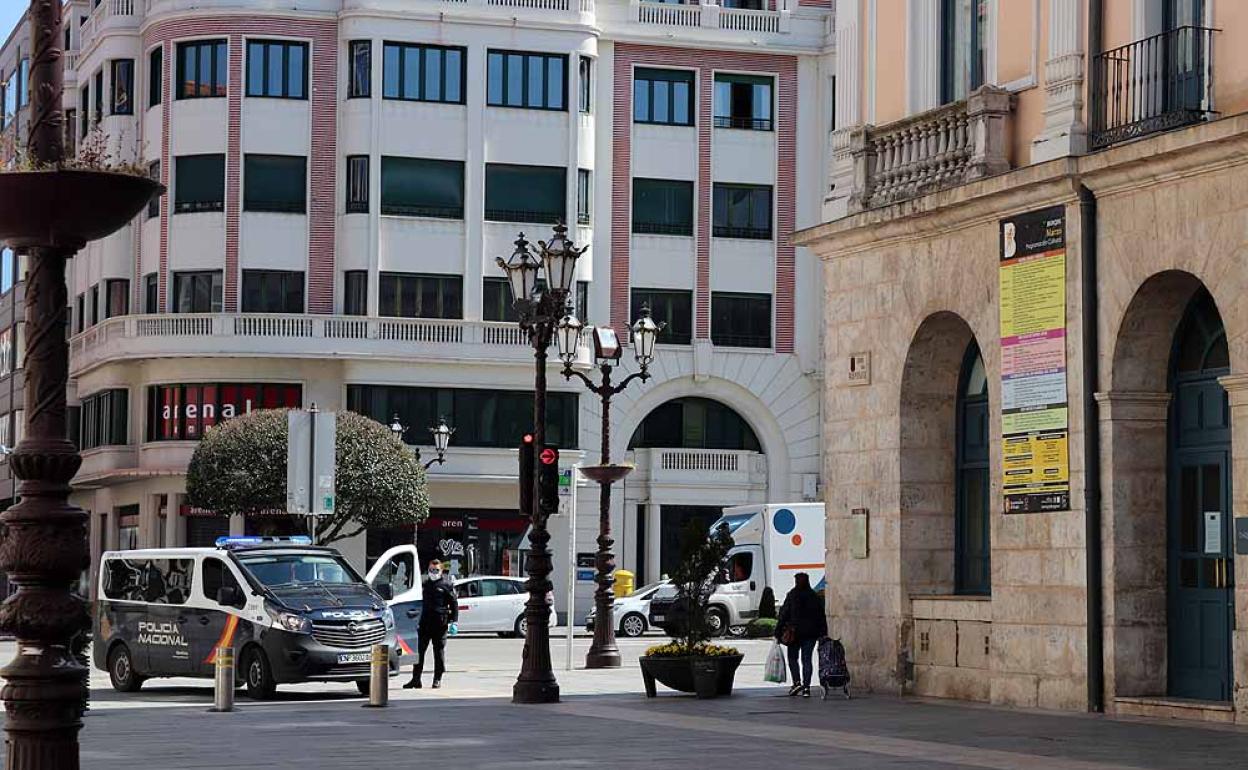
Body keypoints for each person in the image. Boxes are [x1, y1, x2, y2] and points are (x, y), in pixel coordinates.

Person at [404, 559, 459, 689]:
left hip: (440, 624)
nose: (433, 573)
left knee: (438, 652)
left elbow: (454, 604)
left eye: (436, 570)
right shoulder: (425, 585)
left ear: (441, 571)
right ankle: (416, 679)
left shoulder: (446, 585)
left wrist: (454, 622)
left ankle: (437, 679)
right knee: (420, 652)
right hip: (424, 623)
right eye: (431, 570)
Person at [775, 572, 827, 697]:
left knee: (793, 658)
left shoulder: (792, 595)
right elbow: (821, 616)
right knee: (807, 660)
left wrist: (778, 631)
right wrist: (823, 633)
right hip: (811, 634)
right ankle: (806, 688)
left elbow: (783, 614)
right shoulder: (814, 596)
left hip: (795, 633)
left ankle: (797, 682)